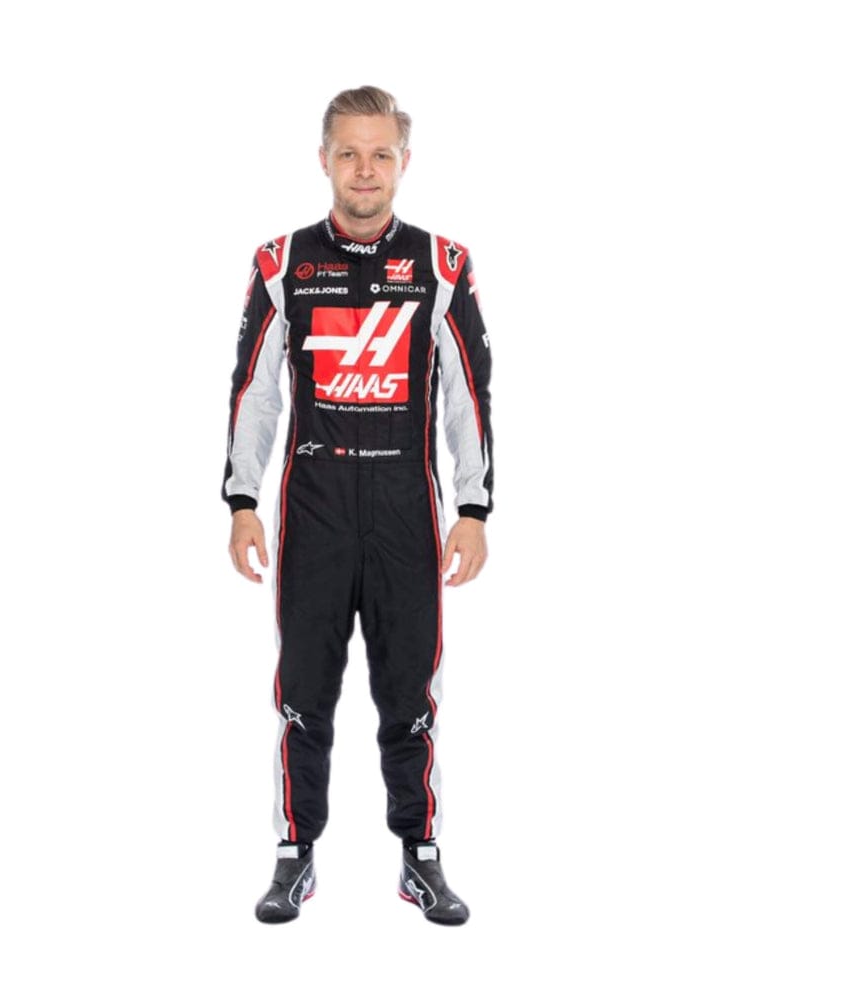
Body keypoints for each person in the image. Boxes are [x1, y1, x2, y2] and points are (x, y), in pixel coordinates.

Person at [222, 86, 493, 926]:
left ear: (404, 162)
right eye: (350, 153)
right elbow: (254, 392)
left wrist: (474, 507)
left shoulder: (444, 264)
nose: (365, 170)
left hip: (408, 513)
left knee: (411, 698)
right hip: (314, 512)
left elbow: (470, 395)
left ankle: (421, 857)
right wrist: (241, 500)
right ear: (324, 160)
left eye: (381, 154)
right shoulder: (281, 262)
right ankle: (293, 855)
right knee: (303, 693)